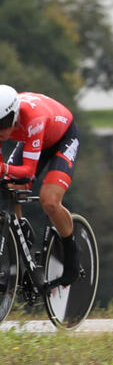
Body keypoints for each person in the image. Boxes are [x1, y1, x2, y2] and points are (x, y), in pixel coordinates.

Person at [0, 85, 80, 286]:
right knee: (9, 187)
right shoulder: (6, 121)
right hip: (33, 140)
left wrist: (3, 169)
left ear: (14, 115)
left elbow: (28, 172)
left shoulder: (33, 119)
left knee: (50, 201)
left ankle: (72, 256)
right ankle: (21, 229)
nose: (1, 130)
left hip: (62, 138)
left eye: (3, 124)